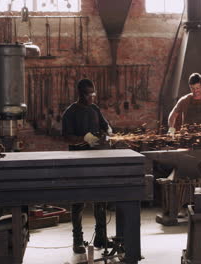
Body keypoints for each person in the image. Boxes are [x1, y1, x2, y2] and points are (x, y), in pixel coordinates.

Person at [61, 79, 112, 254]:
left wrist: (108, 132)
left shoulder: (95, 109)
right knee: (78, 201)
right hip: (77, 161)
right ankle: (77, 240)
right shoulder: (70, 113)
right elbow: (66, 137)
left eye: (93, 94)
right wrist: (83, 138)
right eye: (88, 94)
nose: (91, 97)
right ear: (80, 94)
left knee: (100, 200)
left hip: (96, 160)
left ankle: (101, 237)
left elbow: (106, 126)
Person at [167, 73, 201, 149]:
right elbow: (172, 115)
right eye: (192, 88)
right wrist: (171, 129)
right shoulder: (184, 100)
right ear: (190, 87)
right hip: (185, 142)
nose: (195, 91)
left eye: (197, 88)